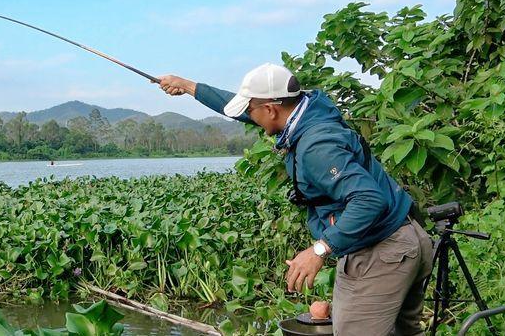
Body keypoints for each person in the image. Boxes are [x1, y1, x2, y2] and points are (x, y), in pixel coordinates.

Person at [156, 63, 434, 335]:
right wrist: (188, 86)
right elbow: (244, 107)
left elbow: (369, 200)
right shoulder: (310, 109)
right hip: (408, 238)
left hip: (382, 251)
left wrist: (320, 250)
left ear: (271, 109)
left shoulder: (316, 147)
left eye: (251, 111)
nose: (248, 117)